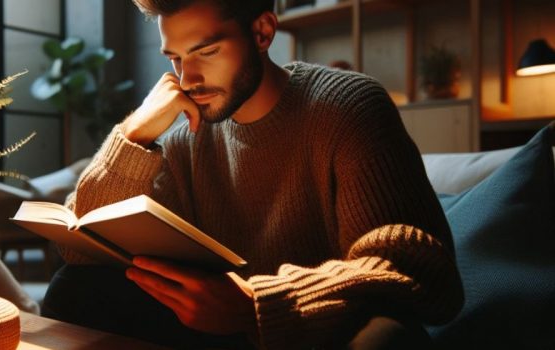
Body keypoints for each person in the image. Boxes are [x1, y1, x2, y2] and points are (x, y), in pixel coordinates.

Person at [41, 0, 464, 348]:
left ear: (262, 32)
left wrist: (257, 304)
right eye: (175, 58)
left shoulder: (347, 107)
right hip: (222, 332)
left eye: (206, 52)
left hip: (315, 330)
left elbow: (418, 273)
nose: (187, 79)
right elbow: (82, 251)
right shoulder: (188, 132)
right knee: (75, 287)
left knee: (386, 335)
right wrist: (133, 134)